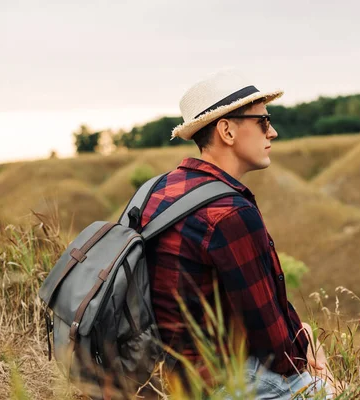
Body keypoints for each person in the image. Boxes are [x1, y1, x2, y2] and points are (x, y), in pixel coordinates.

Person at [141, 70, 335, 398]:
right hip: (216, 380)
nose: (272, 131)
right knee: (337, 391)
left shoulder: (157, 190)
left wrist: (302, 332)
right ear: (227, 130)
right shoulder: (229, 211)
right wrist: (312, 355)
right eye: (262, 120)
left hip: (162, 370)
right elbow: (276, 348)